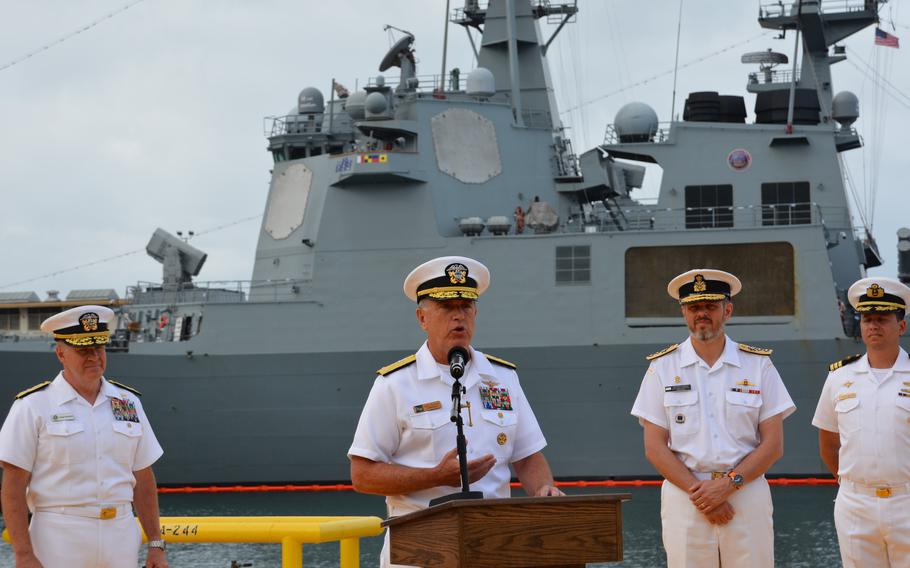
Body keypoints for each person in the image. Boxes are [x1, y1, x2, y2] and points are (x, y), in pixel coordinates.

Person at [348, 256, 562, 568]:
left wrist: (544, 490)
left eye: (466, 307)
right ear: (422, 318)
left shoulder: (503, 378)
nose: (458, 317)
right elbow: (362, 475)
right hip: (419, 551)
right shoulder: (395, 384)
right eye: (447, 307)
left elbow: (528, 456)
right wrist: (436, 477)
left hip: (494, 547)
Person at [630, 269, 795, 568]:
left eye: (710, 306)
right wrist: (702, 495)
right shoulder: (662, 368)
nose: (701, 314)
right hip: (686, 498)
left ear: (727, 310)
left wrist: (727, 486)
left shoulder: (758, 366)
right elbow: (654, 447)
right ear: (683, 313)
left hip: (746, 493)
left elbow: (773, 445)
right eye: (694, 308)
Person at [0, 305, 167, 568]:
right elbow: (13, 486)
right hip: (59, 537)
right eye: (83, 350)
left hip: (120, 535)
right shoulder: (33, 406)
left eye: (98, 348)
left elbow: (143, 477)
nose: (94, 357)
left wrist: (156, 544)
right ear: (60, 353)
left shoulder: (128, 402)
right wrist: (23, 553)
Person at [812, 276, 910, 568]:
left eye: (882, 318)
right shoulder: (840, 377)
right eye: (867, 319)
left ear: (901, 326)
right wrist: (853, 487)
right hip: (856, 505)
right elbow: (829, 444)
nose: (873, 326)